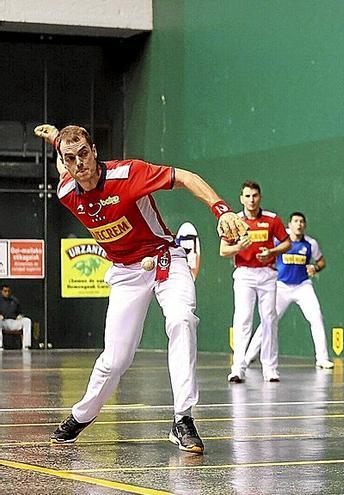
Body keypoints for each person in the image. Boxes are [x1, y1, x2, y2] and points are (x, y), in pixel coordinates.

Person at [34, 124, 249, 453]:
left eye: (84, 154)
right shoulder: (66, 192)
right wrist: (54, 138)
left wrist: (221, 209)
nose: (79, 163)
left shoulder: (129, 174)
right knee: (115, 359)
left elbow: (186, 177)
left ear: (94, 152)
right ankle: (81, 415)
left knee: (182, 319)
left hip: (165, 259)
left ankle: (183, 419)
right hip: (125, 273)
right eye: (71, 158)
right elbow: (61, 165)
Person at [244, 211, 334, 370]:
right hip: (281, 287)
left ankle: (322, 358)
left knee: (316, 317)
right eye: (295, 221)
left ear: (304, 225)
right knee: (268, 320)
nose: (298, 224)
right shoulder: (279, 239)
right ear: (289, 225)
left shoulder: (310, 244)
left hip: (302, 286)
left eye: (301, 221)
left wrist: (315, 267)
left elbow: (321, 262)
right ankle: (248, 356)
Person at [221, 181, 291, 383]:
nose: (251, 200)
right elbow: (223, 250)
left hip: (267, 274)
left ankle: (270, 369)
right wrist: (238, 247)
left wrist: (272, 251)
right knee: (242, 319)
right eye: (247, 196)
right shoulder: (234, 221)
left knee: (269, 319)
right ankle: (238, 369)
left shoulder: (272, 219)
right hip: (244, 274)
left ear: (260, 197)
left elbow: (287, 242)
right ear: (241, 198)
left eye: (255, 196)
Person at [0, 284, 32, 350]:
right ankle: (0, 346)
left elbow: (20, 312)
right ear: (1, 291)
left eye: (8, 291)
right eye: (5, 291)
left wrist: (20, 316)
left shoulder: (14, 300)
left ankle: (26, 345)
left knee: (27, 321)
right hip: (3, 322)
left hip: (14, 321)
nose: (7, 293)